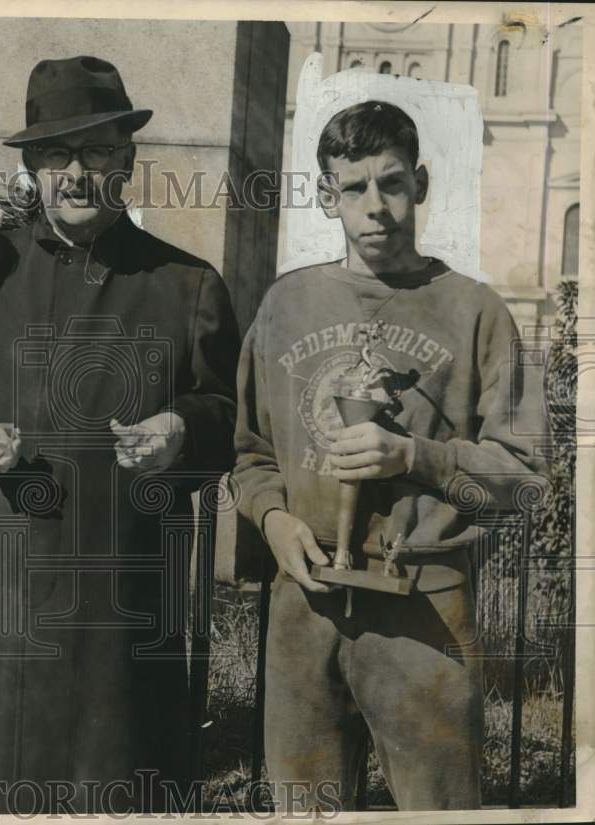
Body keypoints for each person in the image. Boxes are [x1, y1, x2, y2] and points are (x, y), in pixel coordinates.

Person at [0, 55, 240, 814]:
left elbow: (231, 414)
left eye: (98, 152)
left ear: (129, 161)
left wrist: (182, 427)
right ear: (32, 167)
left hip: (120, 623)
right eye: (56, 154)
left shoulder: (187, 285)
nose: (76, 174)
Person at [233, 100, 547, 812]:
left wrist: (413, 454)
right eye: (353, 187)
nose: (375, 206)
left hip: (423, 613)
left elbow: (525, 477)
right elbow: (250, 456)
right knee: (303, 812)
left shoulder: (475, 311)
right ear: (327, 196)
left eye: (393, 182)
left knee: (438, 810)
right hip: (304, 605)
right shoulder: (286, 305)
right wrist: (275, 521)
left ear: (421, 184)